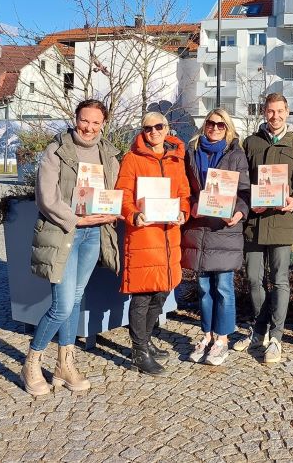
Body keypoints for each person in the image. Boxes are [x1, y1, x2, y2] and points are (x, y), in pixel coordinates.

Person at [23, 99, 120, 396]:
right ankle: (32, 362)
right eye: (84, 120)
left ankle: (65, 365)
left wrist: (112, 210)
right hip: (64, 232)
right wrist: (75, 219)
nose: (89, 128)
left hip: (93, 234)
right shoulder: (57, 150)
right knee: (62, 305)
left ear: (103, 123)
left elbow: (113, 189)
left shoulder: (108, 153)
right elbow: (46, 197)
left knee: (76, 300)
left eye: (95, 122)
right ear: (75, 118)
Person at [235, 93, 293, 363]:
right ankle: (258, 329)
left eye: (280, 111)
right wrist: (247, 203)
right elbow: (242, 181)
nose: (275, 116)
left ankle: (276, 336)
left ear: (287, 112)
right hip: (255, 222)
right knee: (254, 278)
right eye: (270, 111)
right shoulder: (251, 142)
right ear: (264, 113)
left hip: (281, 221)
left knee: (279, 280)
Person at [116, 111, 191, 376]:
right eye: (148, 128)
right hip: (143, 234)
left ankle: (146, 340)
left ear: (167, 128)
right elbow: (122, 195)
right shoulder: (132, 159)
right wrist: (133, 214)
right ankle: (139, 350)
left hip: (169, 235)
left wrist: (184, 211)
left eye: (159, 126)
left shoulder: (176, 159)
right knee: (143, 294)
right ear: (143, 132)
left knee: (161, 291)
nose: (154, 132)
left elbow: (184, 193)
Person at [182, 108, 249, 366]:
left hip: (224, 229)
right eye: (211, 123)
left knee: (223, 287)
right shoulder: (191, 152)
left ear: (228, 128)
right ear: (204, 125)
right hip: (199, 227)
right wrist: (191, 205)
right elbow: (184, 188)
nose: (215, 128)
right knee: (203, 287)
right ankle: (206, 335)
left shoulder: (235, 154)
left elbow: (244, 191)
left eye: (221, 125)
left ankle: (222, 340)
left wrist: (239, 213)